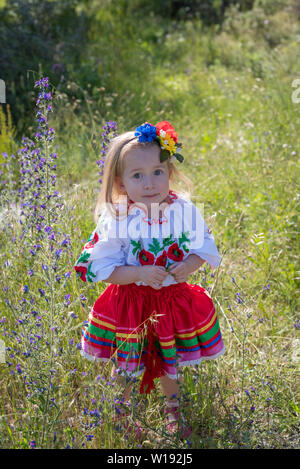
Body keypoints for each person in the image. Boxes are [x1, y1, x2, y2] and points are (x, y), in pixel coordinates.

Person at [74, 121, 225, 438]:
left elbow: (204, 247)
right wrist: (139, 273)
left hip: (170, 299)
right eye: (137, 175)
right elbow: (101, 269)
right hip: (132, 302)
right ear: (121, 182)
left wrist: (188, 265)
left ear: (169, 171)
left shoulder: (182, 210)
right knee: (128, 365)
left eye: (157, 171)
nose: (149, 182)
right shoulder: (118, 217)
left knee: (169, 360)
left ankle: (173, 410)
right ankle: (122, 412)